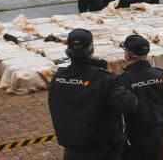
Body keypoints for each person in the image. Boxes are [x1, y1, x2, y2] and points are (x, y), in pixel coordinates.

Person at [48, 29, 138, 159]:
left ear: (68, 51)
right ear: (92, 48)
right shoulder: (104, 79)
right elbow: (129, 104)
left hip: (72, 149)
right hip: (101, 150)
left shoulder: (58, 78)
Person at [116, 35, 163, 160]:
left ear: (129, 56)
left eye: (125, 51)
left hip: (133, 137)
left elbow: (119, 115)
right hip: (156, 135)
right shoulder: (161, 75)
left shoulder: (122, 81)